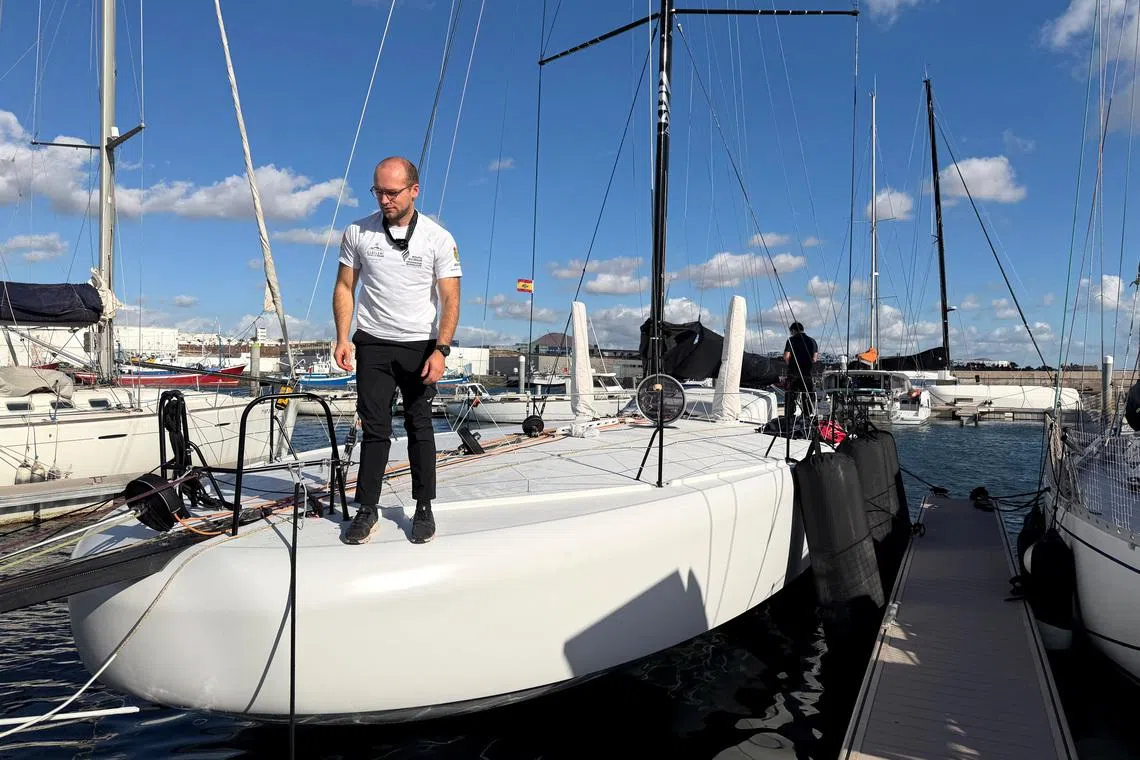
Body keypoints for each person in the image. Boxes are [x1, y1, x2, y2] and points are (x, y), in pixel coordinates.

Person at [333, 156, 462, 545]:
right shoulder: (358, 232)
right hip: (372, 342)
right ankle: (366, 509)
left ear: (414, 190)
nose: (384, 200)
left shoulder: (439, 238)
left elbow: (451, 298)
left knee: (419, 425)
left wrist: (441, 349)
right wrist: (342, 337)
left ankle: (423, 506)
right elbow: (344, 287)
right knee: (375, 429)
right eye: (378, 192)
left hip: (420, 346)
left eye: (392, 192)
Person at [782, 321, 818, 435]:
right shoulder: (812, 341)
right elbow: (814, 359)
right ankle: (807, 420)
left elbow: (786, 356)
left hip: (793, 373)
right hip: (807, 374)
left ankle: (789, 421)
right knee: (806, 397)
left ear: (793, 330)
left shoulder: (791, 340)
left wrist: (791, 365)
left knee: (791, 397)